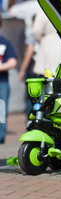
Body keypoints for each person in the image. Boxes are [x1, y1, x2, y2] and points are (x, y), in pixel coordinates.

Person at [0, 13, 18, 143]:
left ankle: (0, 138)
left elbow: (13, 61)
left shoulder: (4, 43)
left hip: (2, 82)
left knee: (1, 112)